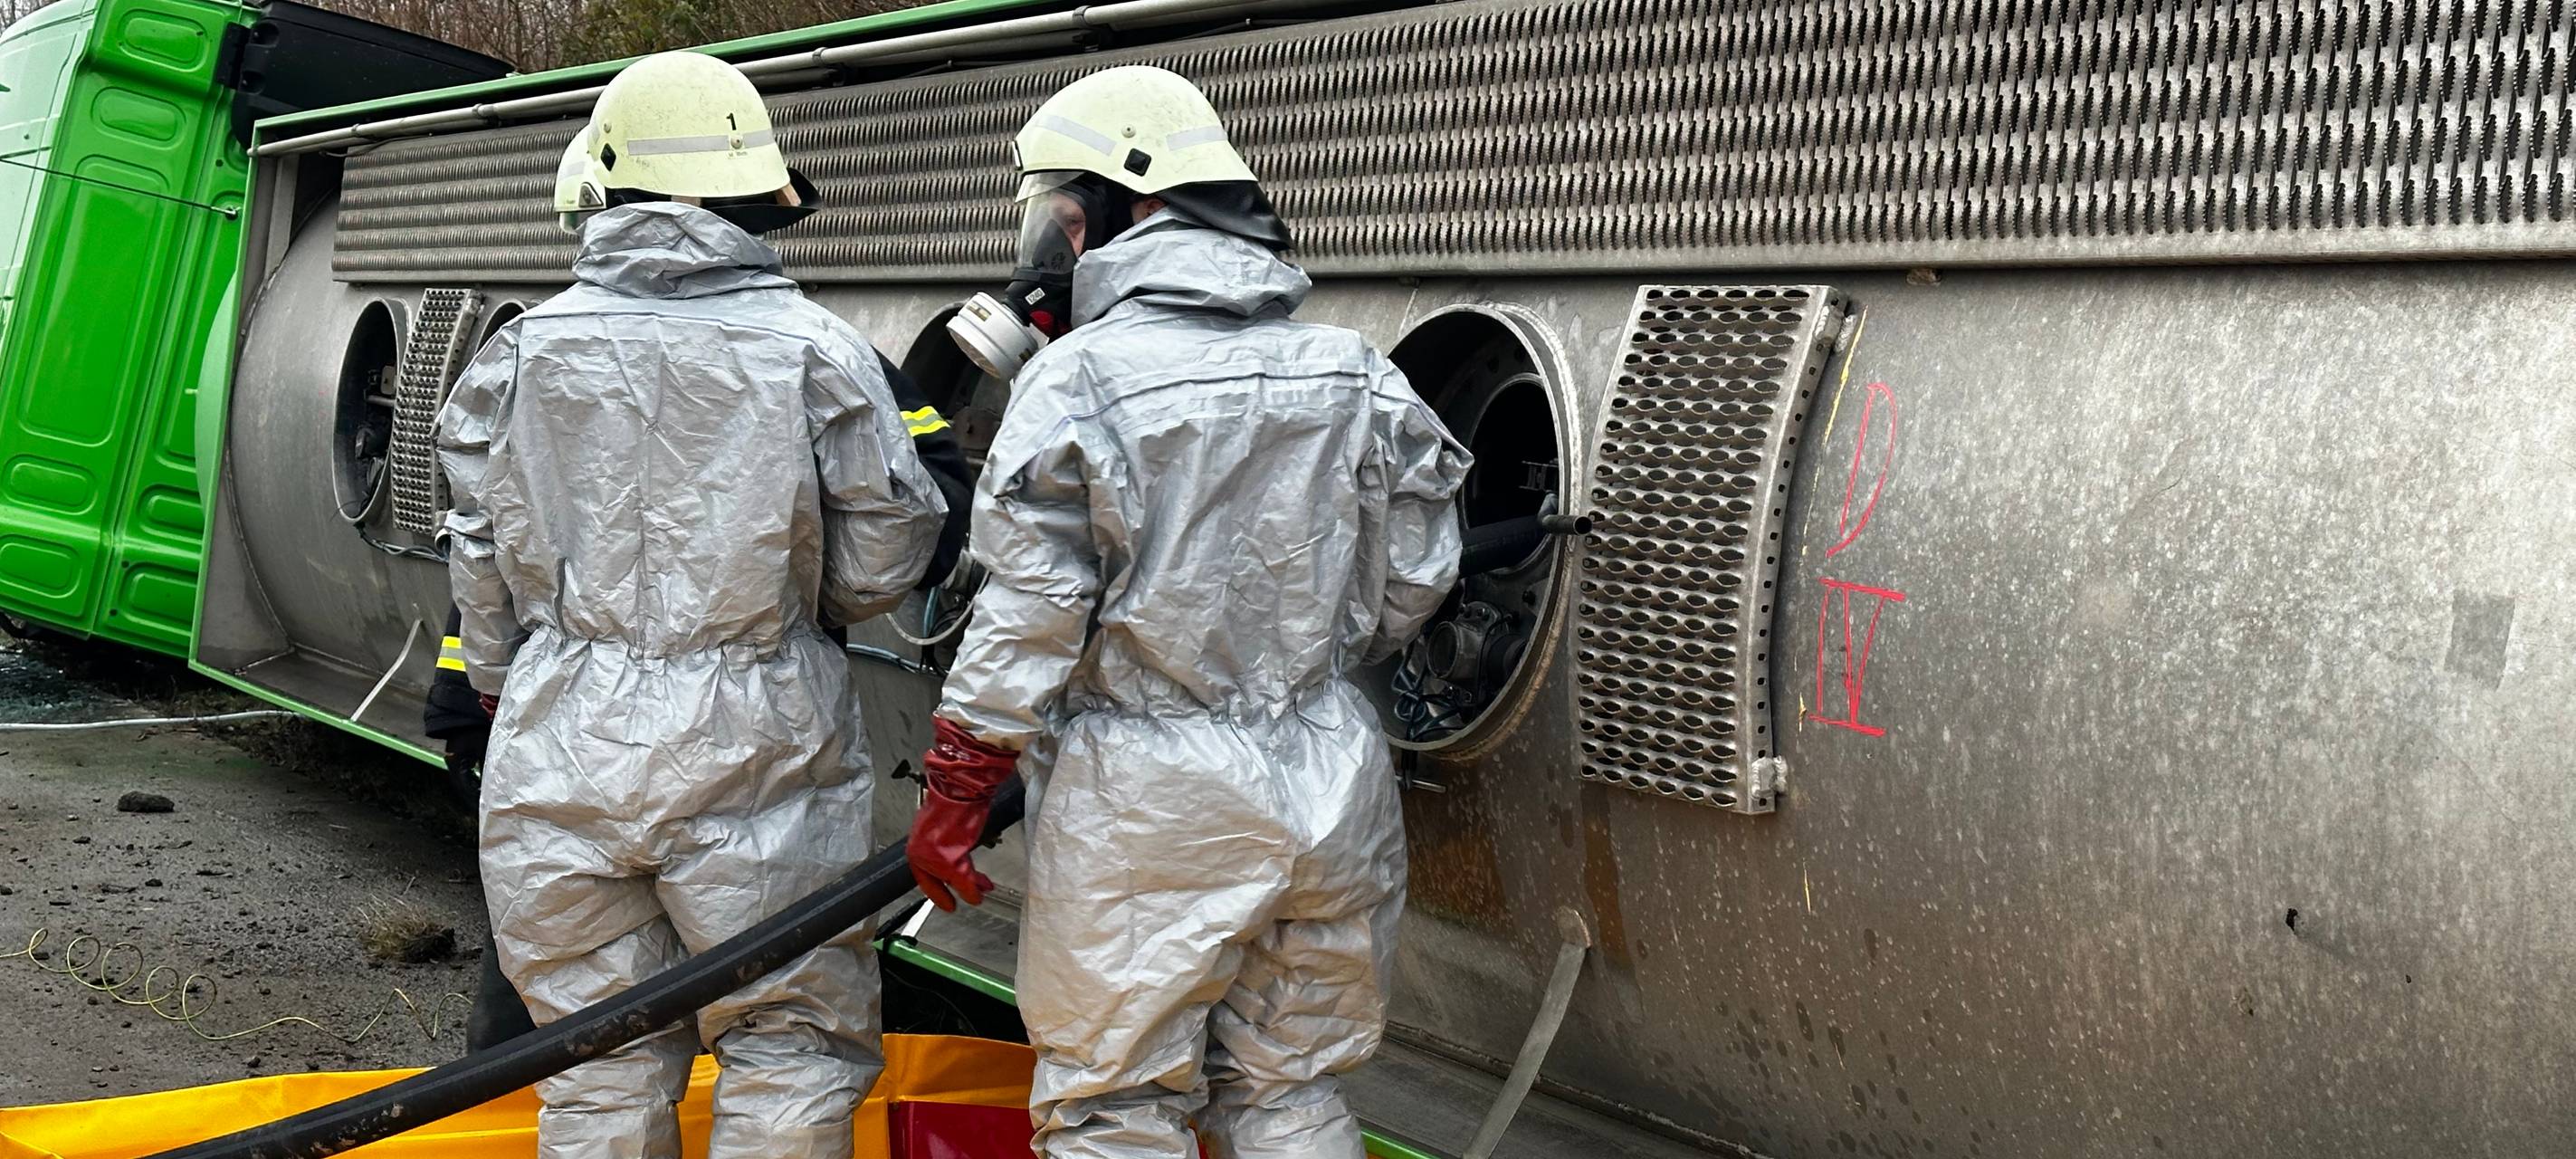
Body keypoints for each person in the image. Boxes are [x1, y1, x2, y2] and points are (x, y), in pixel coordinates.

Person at [909, 65, 1470, 1159]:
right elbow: (1416, 572)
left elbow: (1031, 607)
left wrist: (962, 774)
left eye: (1058, 216)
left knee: (1113, 1108)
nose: (1049, 248)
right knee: (1289, 1091)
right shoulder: (1352, 371)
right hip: (1327, 779)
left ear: (1126, 208)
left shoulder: (1077, 382)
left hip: (1145, 802)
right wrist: (1290, 660)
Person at [435, 51, 948, 1159]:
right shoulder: (819, 351)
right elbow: (883, 554)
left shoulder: (517, 353)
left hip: (561, 729)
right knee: (787, 1042)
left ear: (606, 185)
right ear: (751, 193)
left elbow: (477, 562)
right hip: (758, 729)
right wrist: (791, 608)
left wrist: (500, 680)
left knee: (594, 1057)